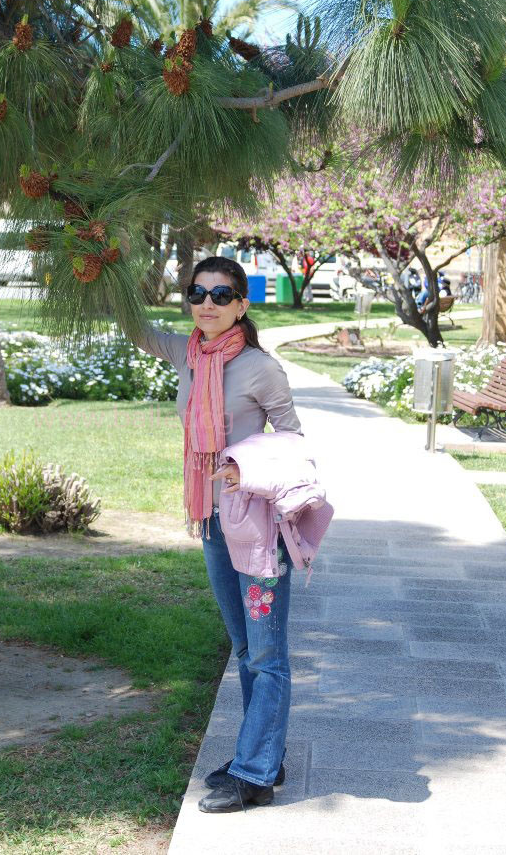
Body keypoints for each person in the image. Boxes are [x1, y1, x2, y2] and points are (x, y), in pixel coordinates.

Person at [131, 256, 303, 813]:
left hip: (256, 527)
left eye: (222, 293)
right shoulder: (188, 353)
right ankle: (264, 755)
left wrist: (242, 467)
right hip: (212, 521)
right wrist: (102, 266)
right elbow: (135, 328)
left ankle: (255, 774)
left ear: (242, 304)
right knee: (246, 646)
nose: (208, 303)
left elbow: (293, 440)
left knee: (266, 652)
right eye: (198, 292)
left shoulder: (259, 367)